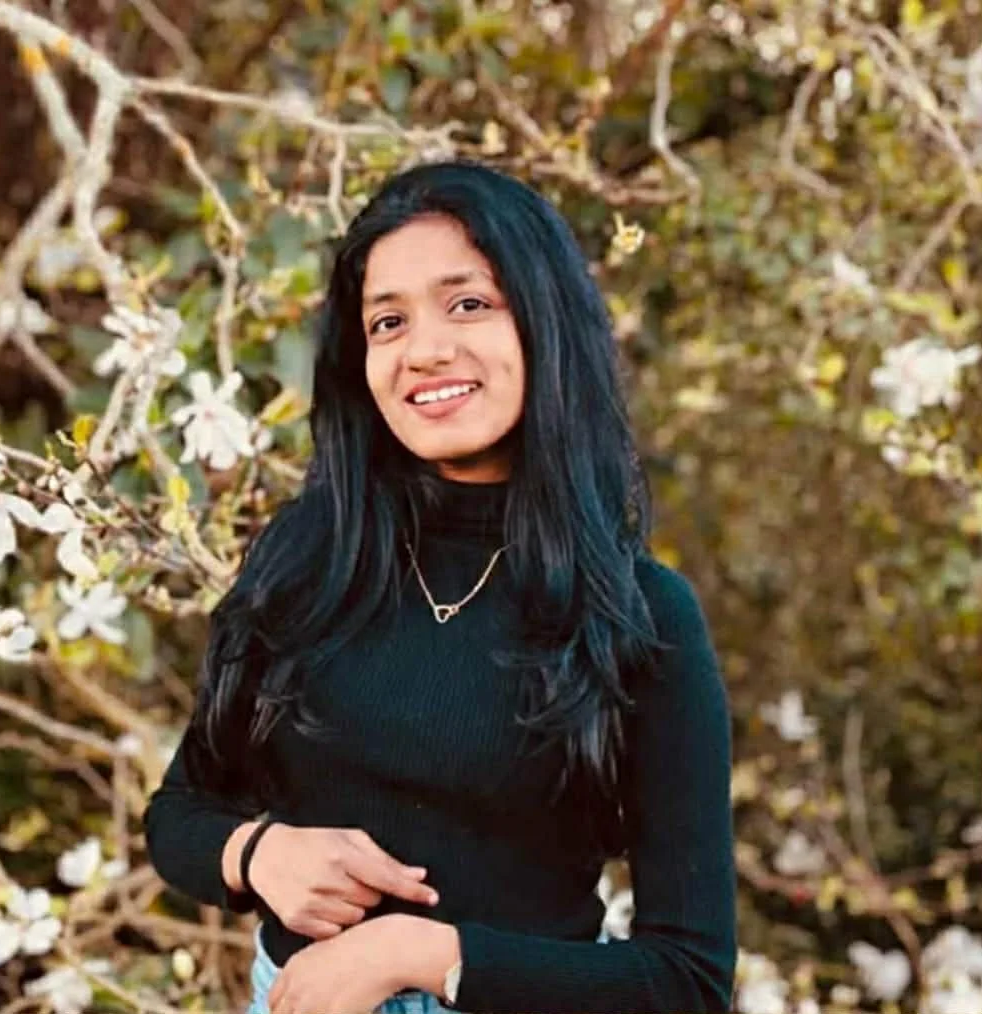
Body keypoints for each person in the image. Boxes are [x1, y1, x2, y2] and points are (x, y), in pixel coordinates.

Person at [143, 158, 737, 1014]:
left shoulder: (639, 615)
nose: (425, 349)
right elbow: (179, 811)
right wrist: (255, 855)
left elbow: (687, 980)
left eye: (469, 304)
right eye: (387, 321)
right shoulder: (309, 559)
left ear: (544, 324)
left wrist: (418, 954)